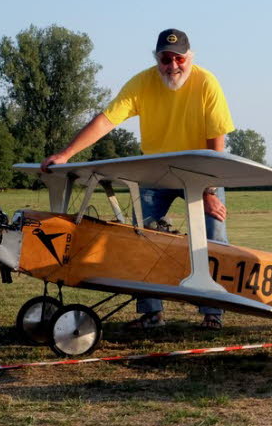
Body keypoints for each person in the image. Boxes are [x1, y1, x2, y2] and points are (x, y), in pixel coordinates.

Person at [41, 28, 235, 329]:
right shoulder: (142, 83)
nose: (172, 66)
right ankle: (151, 312)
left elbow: (216, 138)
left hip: (201, 172)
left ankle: (213, 313)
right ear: (157, 58)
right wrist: (66, 154)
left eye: (178, 59)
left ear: (189, 57)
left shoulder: (207, 83)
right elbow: (107, 119)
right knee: (138, 237)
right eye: (165, 59)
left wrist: (209, 190)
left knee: (215, 238)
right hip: (155, 173)